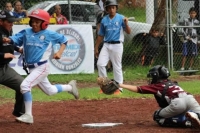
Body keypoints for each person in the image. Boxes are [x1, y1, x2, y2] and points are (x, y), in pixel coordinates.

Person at [3, 9, 79, 124]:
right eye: (32, 21)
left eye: (37, 22)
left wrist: (59, 53)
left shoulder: (49, 34)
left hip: (42, 67)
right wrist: (8, 39)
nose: (34, 24)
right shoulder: (26, 32)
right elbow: (15, 39)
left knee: (24, 86)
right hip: (32, 68)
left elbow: (64, 41)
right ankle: (70, 87)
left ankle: (28, 115)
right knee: (50, 90)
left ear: (45, 23)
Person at [119, 65, 200, 128]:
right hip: (190, 99)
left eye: (152, 76)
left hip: (177, 103)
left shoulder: (157, 85)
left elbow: (137, 89)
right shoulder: (173, 83)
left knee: (157, 116)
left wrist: (119, 85)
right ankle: (194, 114)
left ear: (156, 76)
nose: (151, 79)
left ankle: (186, 121)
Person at [95, 0, 131, 95]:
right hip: (106, 44)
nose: (111, 9)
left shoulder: (121, 18)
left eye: (113, 7)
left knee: (117, 67)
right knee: (100, 64)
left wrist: (126, 23)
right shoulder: (104, 20)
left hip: (117, 45)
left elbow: (128, 32)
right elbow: (101, 35)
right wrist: (96, 47)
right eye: (109, 8)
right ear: (106, 9)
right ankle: (105, 86)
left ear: (116, 8)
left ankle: (119, 88)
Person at [0, 10, 25, 117]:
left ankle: (20, 112)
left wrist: (17, 49)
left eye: (12, 21)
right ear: (1, 21)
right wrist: (2, 55)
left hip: (3, 68)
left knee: (23, 86)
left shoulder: (7, 30)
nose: (12, 24)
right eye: (9, 22)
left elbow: (8, 43)